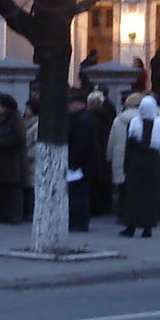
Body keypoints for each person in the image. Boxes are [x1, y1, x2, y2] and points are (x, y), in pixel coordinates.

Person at [118, 93, 160, 238]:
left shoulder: (135, 122)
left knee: (134, 195)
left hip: (137, 163)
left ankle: (131, 226)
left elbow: (130, 145)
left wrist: (126, 166)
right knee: (151, 196)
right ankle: (148, 227)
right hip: (154, 164)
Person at [0, 93, 29, 225]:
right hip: (3, 157)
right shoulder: (1, 119)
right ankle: (5, 213)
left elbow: (19, 137)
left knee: (14, 187)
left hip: (14, 158)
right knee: (4, 187)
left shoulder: (16, 119)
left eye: (1, 105)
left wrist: (2, 142)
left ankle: (15, 214)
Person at [66, 89, 99, 232]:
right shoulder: (80, 118)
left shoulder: (83, 120)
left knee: (79, 193)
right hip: (83, 162)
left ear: (80, 104)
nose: (69, 106)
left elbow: (80, 144)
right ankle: (77, 219)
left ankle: (80, 221)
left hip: (82, 164)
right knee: (77, 193)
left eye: (71, 103)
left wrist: (74, 163)